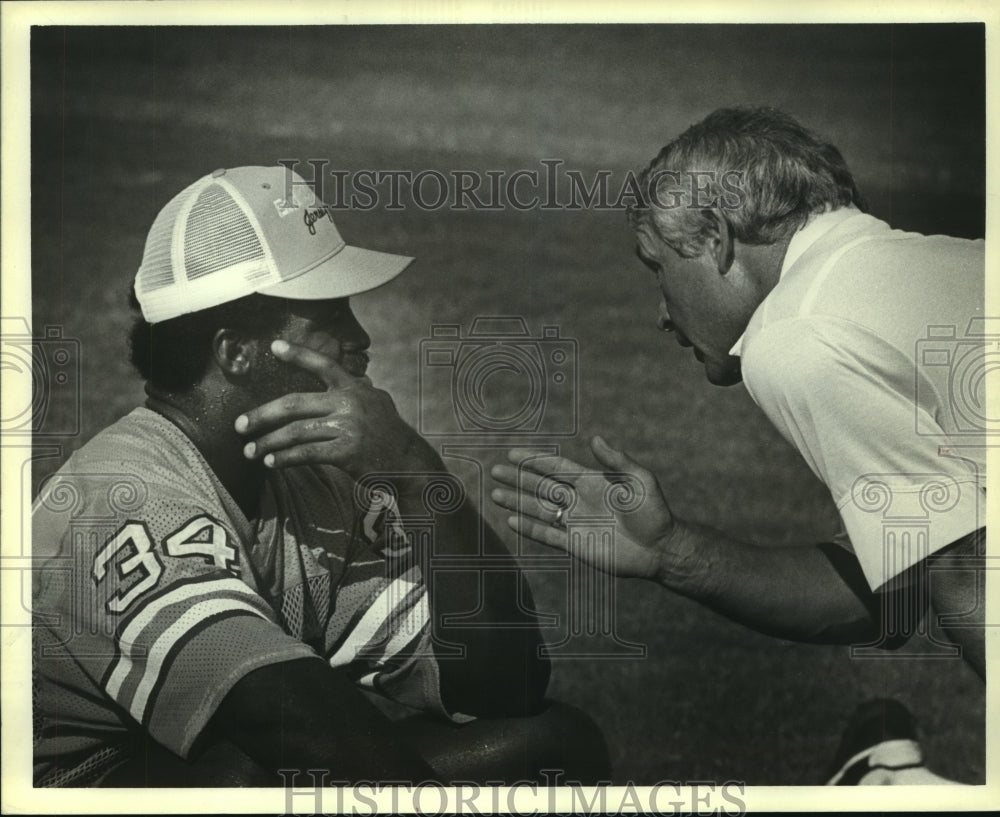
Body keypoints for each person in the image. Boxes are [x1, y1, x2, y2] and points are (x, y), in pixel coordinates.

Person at [32, 165, 607, 787]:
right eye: (330, 317)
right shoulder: (126, 497)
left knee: (548, 747)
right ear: (236, 352)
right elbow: (282, 718)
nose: (360, 340)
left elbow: (505, 684)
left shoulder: (311, 484)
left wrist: (417, 475)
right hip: (69, 788)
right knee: (258, 769)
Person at [490, 107, 986, 784]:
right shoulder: (924, 265)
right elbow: (896, 592)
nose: (661, 312)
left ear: (717, 238)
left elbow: (966, 580)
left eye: (657, 266)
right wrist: (671, 552)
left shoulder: (797, 334)